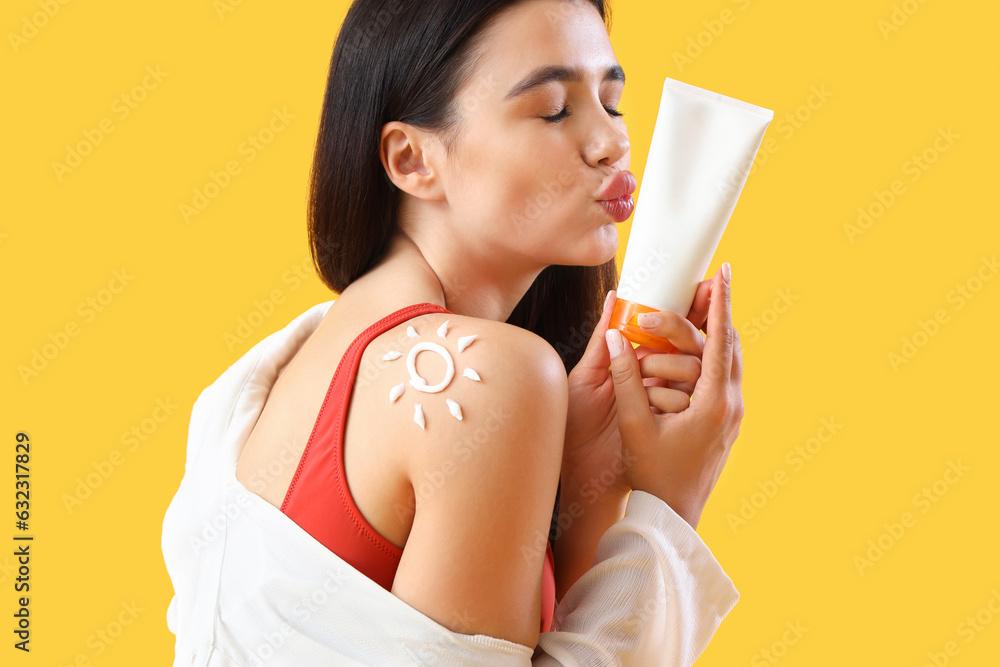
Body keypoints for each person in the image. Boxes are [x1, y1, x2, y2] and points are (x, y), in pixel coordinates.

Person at [161, 0, 745, 664]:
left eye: (612, 102)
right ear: (411, 159)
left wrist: (590, 479)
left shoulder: (321, 346)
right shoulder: (489, 376)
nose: (611, 141)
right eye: (555, 108)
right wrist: (670, 508)